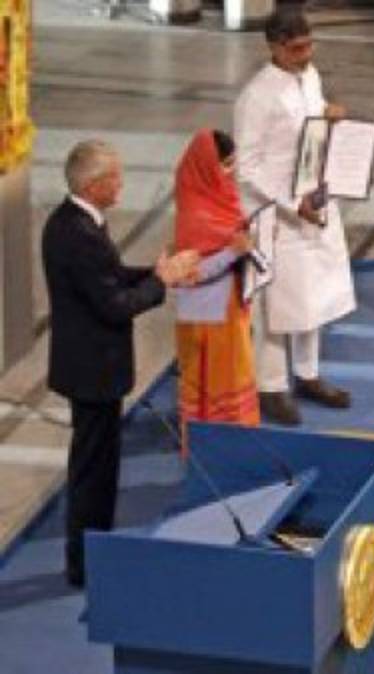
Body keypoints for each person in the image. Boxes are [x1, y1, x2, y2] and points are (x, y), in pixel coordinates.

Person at [43, 139, 198, 587]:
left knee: (98, 466)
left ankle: (92, 553)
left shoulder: (74, 222)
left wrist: (153, 273)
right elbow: (113, 304)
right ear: (94, 185)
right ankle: (86, 565)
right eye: (115, 178)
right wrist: (160, 283)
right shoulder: (79, 235)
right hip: (93, 371)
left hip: (88, 366)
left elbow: (106, 278)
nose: (122, 185)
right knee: (93, 472)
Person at [234, 8, 356, 426]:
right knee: (275, 303)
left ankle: (308, 374)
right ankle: (270, 387)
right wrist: (290, 203)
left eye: (309, 46)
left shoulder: (311, 75)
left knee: (313, 293)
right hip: (276, 213)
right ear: (274, 47)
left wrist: (329, 112)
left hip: (315, 198)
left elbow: (313, 117)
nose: (305, 55)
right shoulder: (256, 97)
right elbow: (246, 167)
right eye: (296, 49)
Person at [173, 129, 260, 449]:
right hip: (205, 317)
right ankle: (208, 446)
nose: (231, 172)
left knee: (232, 374)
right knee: (209, 382)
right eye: (225, 165)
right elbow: (189, 274)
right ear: (207, 167)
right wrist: (232, 252)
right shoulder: (194, 214)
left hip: (229, 309)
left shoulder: (220, 196)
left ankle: (235, 440)